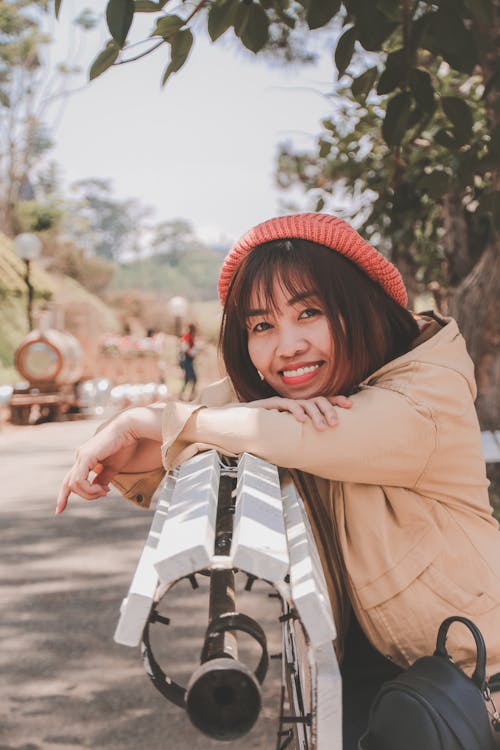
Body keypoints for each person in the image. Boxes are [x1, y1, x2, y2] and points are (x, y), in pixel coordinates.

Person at [56, 213, 500, 748]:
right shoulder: (318, 393)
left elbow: (249, 430)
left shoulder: (424, 397)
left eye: (309, 312)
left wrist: (141, 420)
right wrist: (135, 435)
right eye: (261, 325)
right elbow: (201, 422)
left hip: (481, 676)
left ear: (362, 305)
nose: (286, 346)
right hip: (398, 675)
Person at [178, 323, 198, 401]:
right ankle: (191, 397)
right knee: (194, 379)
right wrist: (191, 353)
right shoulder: (187, 337)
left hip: (189, 360)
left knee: (187, 379)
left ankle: (184, 396)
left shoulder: (191, 338)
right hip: (187, 360)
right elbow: (184, 348)